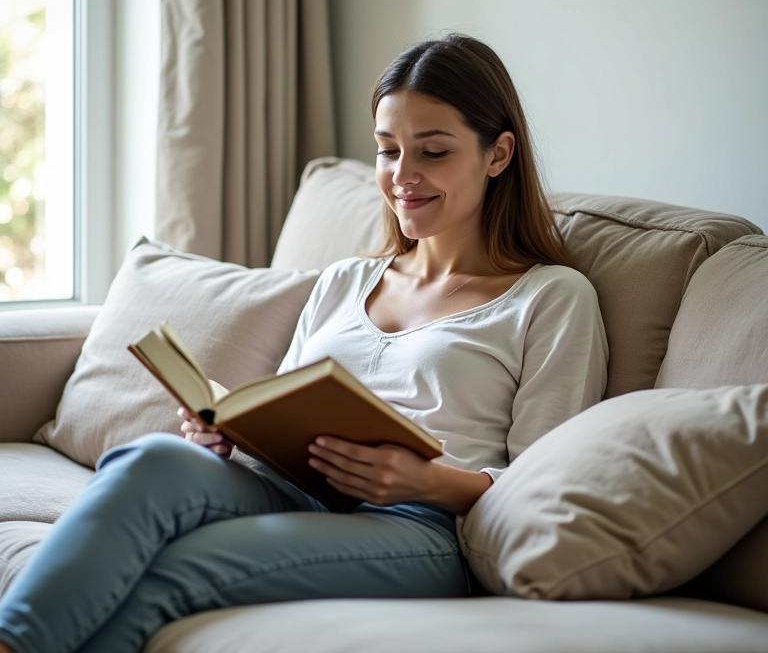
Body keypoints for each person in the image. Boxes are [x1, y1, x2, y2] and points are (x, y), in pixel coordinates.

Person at [0, 33, 608, 653]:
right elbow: (285, 404)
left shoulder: (551, 298)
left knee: (178, 567)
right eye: (388, 150)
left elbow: (545, 486)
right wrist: (232, 432)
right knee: (150, 461)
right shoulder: (345, 281)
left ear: (498, 154)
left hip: (422, 526)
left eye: (433, 151)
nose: (403, 176)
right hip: (294, 490)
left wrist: (425, 480)